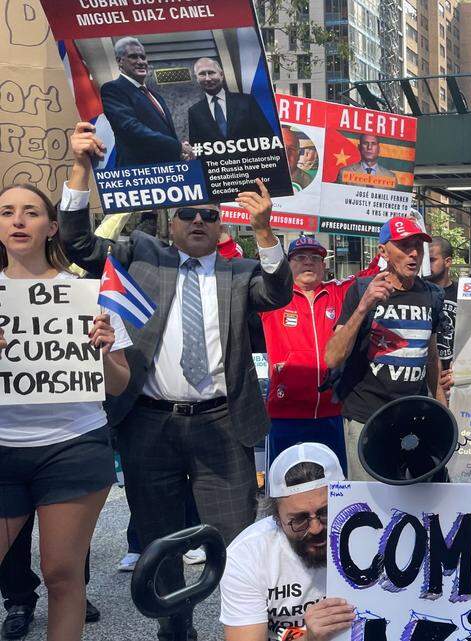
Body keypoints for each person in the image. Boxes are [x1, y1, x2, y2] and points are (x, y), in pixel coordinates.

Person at [57, 122, 292, 640]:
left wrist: (265, 230)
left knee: (236, 540)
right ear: (171, 218)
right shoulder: (140, 255)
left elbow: (278, 294)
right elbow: (75, 242)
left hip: (222, 426)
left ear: (220, 224)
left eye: (210, 214)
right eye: (189, 212)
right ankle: (174, 627)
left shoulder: (242, 271)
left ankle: (246, 629)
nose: (199, 221)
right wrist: (80, 167)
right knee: (160, 540)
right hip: (149, 425)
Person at [0, 179, 130, 641]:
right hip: (2, 451)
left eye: (31, 212)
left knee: (61, 573)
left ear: (52, 226)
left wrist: (103, 351)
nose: (18, 220)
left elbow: (118, 384)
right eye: (7, 212)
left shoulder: (88, 295)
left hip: (73, 446)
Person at [324, 217, 448, 481]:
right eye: (404, 246)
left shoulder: (433, 295)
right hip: (367, 418)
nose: (414, 253)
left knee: (420, 505)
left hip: (415, 418)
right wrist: (363, 308)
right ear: (383, 251)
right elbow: (332, 357)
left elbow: (431, 357)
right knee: (372, 508)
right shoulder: (360, 290)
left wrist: (442, 411)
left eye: (418, 245)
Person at [259, 237, 381, 471]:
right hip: (285, 414)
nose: (309, 263)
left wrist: (386, 246)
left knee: (333, 487)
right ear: (288, 263)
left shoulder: (337, 292)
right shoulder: (272, 297)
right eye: (301, 257)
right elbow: (239, 272)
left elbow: (370, 276)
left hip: (332, 412)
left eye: (315, 258)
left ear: (324, 265)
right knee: (285, 487)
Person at [219, 443, 355, 641]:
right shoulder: (245, 556)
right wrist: (309, 638)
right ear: (276, 518)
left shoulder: (372, 534)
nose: (316, 528)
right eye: (299, 519)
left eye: (326, 513)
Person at [100, 37, 188, 166]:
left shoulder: (156, 96)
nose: (140, 62)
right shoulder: (113, 89)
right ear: (119, 61)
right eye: (133, 57)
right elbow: (131, 128)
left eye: (143, 57)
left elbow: (166, 133)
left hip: (170, 169)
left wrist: (179, 151)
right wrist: (177, 146)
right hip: (140, 174)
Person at [187, 58, 275, 144]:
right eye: (202, 74)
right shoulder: (194, 112)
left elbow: (267, 136)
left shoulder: (247, 101)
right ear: (197, 79)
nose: (208, 78)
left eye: (211, 73)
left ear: (221, 75)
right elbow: (196, 146)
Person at [428, 237, 459, 371]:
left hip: (456, 379)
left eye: (431, 260)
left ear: (448, 262)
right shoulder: (418, 293)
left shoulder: (463, 294)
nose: (425, 265)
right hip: (426, 378)